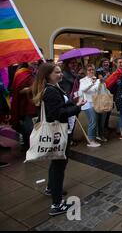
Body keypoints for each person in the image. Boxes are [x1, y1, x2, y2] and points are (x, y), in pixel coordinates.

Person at [31, 63, 86, 216]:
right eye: (57, 72)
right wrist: (77, 107)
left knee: (56, 164)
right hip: (58, 133)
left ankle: (51, 187)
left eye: (61, 72)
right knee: (59, 167)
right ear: (47, 75)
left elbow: (61, 107)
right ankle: (57, 204)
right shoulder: (51, 91)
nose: (61, 74)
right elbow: (57, 114)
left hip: (59, 133)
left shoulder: (54, 88)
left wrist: (73, 103)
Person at [10, 62, 38, 151]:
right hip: (26, 105)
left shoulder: (34, 71)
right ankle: (28, 146)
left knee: (34, 127)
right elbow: (18, 90)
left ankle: (33, 145)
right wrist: (30, 89)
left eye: (37, 59)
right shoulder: (21, 73)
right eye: (33, 60)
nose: (35, 61)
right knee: (28, 127)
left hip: (35, 103)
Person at [79, 64, 102, 147]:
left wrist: (93, 85)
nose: (91, 71)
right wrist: (91, 84)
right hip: (87, 104)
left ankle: (93, 137)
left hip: (95, 103)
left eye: (92, 69)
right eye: (89, 70)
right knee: (93, 121)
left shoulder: (97, 80)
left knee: (94, 121)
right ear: (86, 71)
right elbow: (83, 90)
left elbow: (97, 90)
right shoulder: (82, 80)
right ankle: (91, 141)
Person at [60, 58, 81, 146]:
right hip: (68, 101)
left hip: (73, 100)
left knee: (73, 121)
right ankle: (68, 140)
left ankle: (70, 138)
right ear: (66, 64)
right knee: (69, 121)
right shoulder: (65, 73)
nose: (74, 64)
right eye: (72, 63)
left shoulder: (72, 72)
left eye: (75, 62)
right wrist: (78, 76)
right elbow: (73, 81)